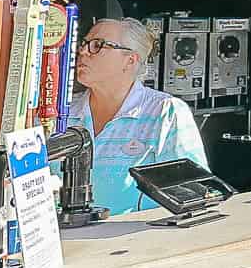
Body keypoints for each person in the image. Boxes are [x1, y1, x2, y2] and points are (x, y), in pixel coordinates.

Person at [69, 18, 210, 215]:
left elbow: (192, 193)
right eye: (83, 44)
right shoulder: (63, 113)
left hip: (133, 241)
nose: (83, 51)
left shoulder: (165, 112)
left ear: (130, 60)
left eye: (97, 46)